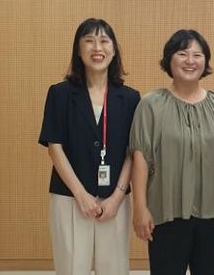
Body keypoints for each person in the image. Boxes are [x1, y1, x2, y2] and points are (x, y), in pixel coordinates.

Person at [129, 29, 214, 275]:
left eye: (197, 55)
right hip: (166, 211)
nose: (190, 61)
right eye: (182, 54)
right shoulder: (151, 104)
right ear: (169, 60)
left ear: (206, 61)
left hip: (212, 212)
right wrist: (140, 207)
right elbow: (140, 157)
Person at [38, 18, 140, 275]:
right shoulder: (60, 93)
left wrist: (117, 197)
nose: (97, 47)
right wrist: (81, 195)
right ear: (78, 49)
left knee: (115, 268)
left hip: (115, 199)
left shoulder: (130, 98)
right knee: (72, 268)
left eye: (104, 41)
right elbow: (54, 147)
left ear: (114, 50)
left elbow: (133, 152)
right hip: (69, 197)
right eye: (89, 41)